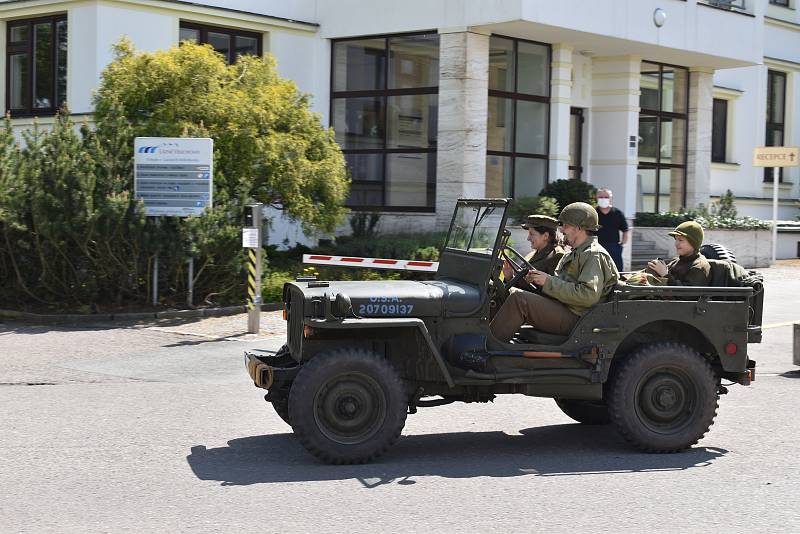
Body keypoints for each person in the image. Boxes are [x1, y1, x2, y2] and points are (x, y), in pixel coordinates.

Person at [489, 202, 619, 342]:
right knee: (505, 291)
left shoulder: (593, 255)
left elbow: (587, 295)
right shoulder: (575, 253)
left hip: (577, 318)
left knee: (520, 300)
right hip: (563, 307)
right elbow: (562, 284)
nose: (562, 230)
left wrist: (548, 281)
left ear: (579, 228)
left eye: (566, 226)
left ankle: (486, 347)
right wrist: (538, 280)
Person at [503, 215, 564, 287]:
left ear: (545, 236)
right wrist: (509, 277)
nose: (528, 238)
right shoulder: (532, 254)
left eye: (531, 234)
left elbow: (552, 289)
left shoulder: (557, 256)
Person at [645, 221, 711, 286]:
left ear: (693, 243)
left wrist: (665, 274)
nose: (676, 244)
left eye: (680, 240)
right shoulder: (678, 261)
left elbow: (686, 295)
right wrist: (655, 268)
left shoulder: (699, 267)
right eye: (676, 239)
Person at [595, 188, 629, 272]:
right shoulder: (593, 213)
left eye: (606, 197)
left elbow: (625, 230)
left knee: (616, 272)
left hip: (614, 248)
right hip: (596, 247)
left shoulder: (618, 213)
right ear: (596, 198)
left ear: (611, 198)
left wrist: (621, 245)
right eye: (601, 197)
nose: (603, 199)